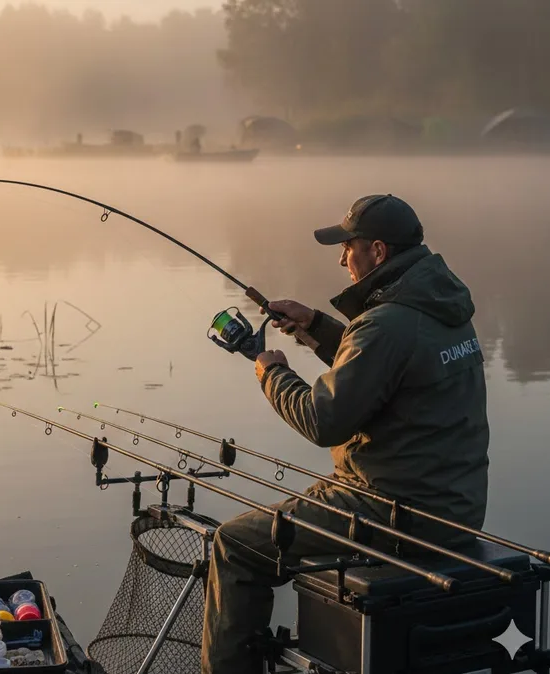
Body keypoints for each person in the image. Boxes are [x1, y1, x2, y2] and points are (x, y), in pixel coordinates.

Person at [201, 194, 490, 674]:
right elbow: (383, 365)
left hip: (391, 510)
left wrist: (271, 371)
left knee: (235, 544)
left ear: (377, 251)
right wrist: (314, 326)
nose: (341, 258)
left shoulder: (387, 323)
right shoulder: (439, 305)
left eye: (348, 246)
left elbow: (323, 420)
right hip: (455, 506)